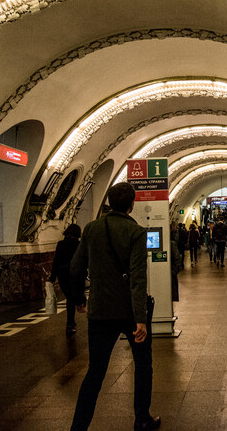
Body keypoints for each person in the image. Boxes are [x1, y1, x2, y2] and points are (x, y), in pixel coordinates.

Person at [69, 183, 160, 431]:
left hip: (99, 312)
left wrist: (79, 299)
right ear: (132, 204)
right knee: (143, 365)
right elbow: (138, 278)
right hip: (130, 313)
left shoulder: (91, 229)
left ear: (109, 201)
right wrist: (141, 319)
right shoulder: (136, 232)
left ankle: (78, 427)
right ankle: (142, 419)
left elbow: (76, 268)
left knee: (95, 373)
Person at [48, 223, 86, 335]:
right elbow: (82, 261)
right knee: (73, 297)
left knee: (70, 297)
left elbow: (56, 262)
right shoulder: (79, 245)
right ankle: (72, 321)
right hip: (76, 274)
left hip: (63, 275)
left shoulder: (61, 244)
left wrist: (52, 277)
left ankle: (70, 324)